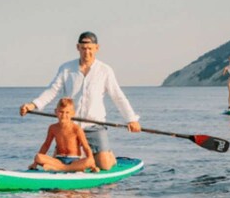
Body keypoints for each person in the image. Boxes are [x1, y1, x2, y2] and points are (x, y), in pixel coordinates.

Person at [20, 31, 140, 171]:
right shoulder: (66, 68)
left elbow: (118, 96)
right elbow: (52, 90)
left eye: (90, 48)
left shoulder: (105, 70)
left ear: (97, 48)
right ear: (78, 48)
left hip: (94, 126)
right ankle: (76, 161)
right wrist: (32, 105)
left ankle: (107, 155)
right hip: (70, 126)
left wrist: (131, 119)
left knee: (105, 165)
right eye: (83, 48)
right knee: (61, 160)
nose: (86, 52)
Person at [28, 98, 98, 172]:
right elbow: (46, 145)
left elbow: (86, 147)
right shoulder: (53, 128)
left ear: (72, 113)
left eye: (67, 112)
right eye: (61, 112)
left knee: (90, 160)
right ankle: (68, 168)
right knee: (38, 157)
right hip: (58, 160)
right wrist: (35, 163)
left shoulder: (76, 129)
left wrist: (93, 165)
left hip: (74, 161)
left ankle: (61, 168)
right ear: (56, 112)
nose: (64, 115)